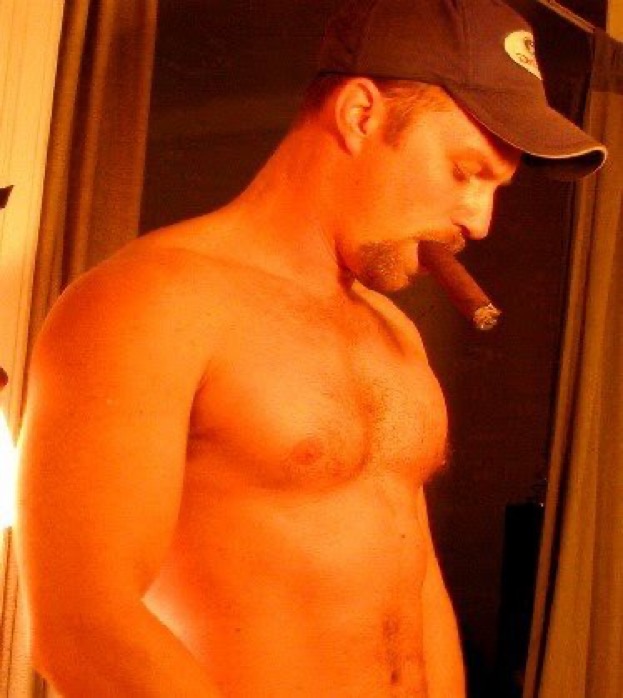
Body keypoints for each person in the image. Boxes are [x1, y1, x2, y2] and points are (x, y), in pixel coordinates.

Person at [16, 0, 605, 696]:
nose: (479, 221)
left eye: (496, 188)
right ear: (360, 114)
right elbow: (83, 627)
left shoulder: (394, 333)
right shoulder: (151, 302)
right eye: (464, 171)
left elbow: (415, 588)